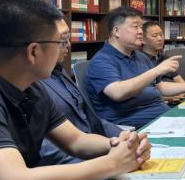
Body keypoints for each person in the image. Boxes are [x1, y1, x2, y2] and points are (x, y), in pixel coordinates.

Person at [0, 0, 150, 180]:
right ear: (34, 52)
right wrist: (113, 164)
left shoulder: (32, 88)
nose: (65, 48)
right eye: (61, 42)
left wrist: (121, 145)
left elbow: (76, 141)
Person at [86, 7, 185, 128]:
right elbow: (117, 92)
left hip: (162, 115)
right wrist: (157, 70)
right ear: (116, 31)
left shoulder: (139, 56)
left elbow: (160, 87)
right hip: (130, 125)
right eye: (135, 27)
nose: (140, 31)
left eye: (141, 27)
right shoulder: (101, 61)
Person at [38, 20, 123, 166]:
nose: (68, 45)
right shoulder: (30, 82)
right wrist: (106, 159)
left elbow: (90, 119)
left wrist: (122, 137)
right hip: (73, 164)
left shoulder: (58, 70)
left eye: (68, 39)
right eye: (62, 40)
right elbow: (46, 148)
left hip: (93, 147)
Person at [141, 21, 185, 104]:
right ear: (143, 40)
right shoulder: (140, 60)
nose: (160, 39)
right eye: (154, 36)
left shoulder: (164, 57)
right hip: (159, 101)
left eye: (161, 35)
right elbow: (146, 92)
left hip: (177, 97)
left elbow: (179, 79)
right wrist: (169, 98)